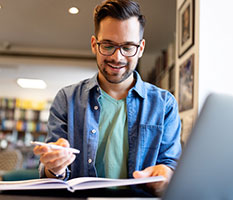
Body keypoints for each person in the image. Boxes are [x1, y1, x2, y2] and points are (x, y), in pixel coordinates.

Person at [34, 0, 181, 196]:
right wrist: (55, 167)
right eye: (108, 45)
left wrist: (166, 176)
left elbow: (171, 164)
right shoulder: (66, 99)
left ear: (141, 48)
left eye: (128, 47)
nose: (117, 57)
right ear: (94, 44)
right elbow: (51, 175)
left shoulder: (165, 104)